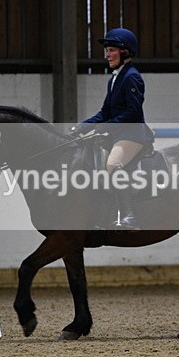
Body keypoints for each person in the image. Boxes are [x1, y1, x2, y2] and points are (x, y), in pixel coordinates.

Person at [70, 28, 154, 230]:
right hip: (118, 133)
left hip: (132, 134)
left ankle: (130, 215)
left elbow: (133, 112)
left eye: (111, 50)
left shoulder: (132, 77)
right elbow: (105, 111)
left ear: (124, 52)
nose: (107, 55)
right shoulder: (114, 79)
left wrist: (106, 128)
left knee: (113, 165)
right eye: (106, 50)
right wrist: (83, 127)